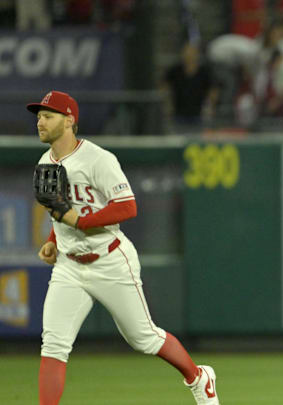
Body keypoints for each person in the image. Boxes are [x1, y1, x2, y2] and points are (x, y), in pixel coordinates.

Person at [29, 91, 220, 405]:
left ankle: (198, 377)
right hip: (69, 266)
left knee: (143, 338)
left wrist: (79, 222)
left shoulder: (98, 159)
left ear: (69, 121)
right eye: (39, 116)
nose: (40, 121)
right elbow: (59, 209)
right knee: (53, 345)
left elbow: (127, 207)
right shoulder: (45, 162)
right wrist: (52, 241)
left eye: (48, 116)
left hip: (110, 260)